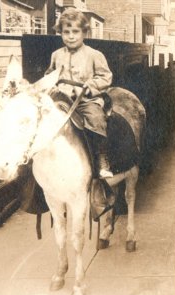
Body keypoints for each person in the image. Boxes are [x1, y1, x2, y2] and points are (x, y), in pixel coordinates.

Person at [45, 7, 113, 179]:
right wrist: (51, 85)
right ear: (60, 33)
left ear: (84, 33)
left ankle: (101, 158)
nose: (71, 36)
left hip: (85, 100)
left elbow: (105, 76)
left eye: (76, 31)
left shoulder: (94, 55)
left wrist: (90, 86)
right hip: (61, 99)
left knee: (96, 118)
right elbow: (50, 74)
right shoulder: (56, 55)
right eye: (66, 32)